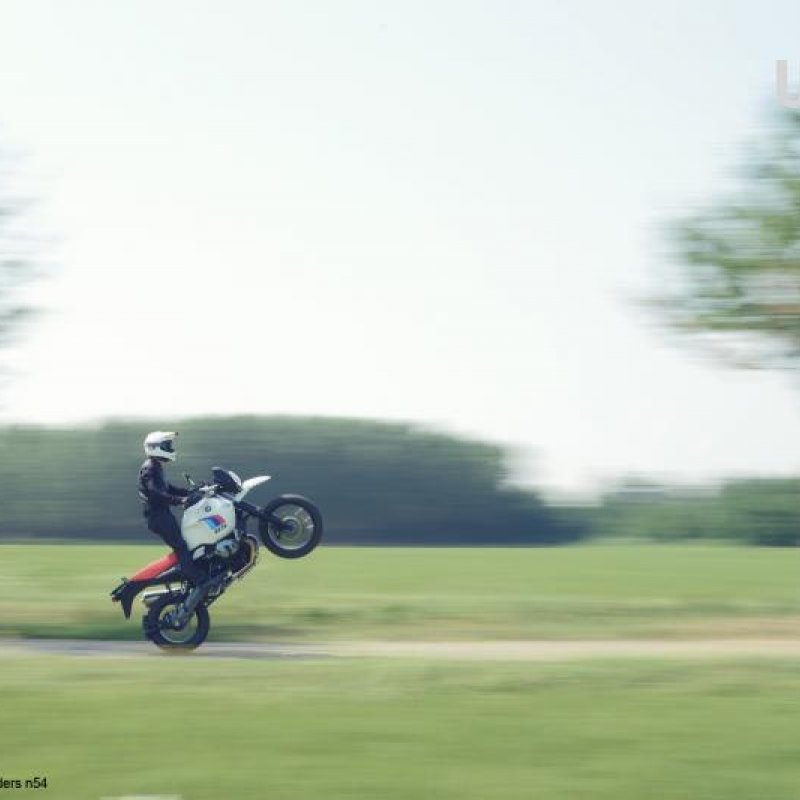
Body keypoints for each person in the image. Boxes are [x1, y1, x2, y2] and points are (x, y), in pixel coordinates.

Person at [138, 431, 205, 585]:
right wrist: (180, 501)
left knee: (186, 543)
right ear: (155, 447)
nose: (170, 449)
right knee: (181, 546)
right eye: (167, 445)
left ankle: (194, 572)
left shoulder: (155, 466)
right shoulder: (150, 468)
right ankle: (196, 578)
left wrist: (191, 492)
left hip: (161, 515)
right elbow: (155, 493)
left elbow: (169, 488)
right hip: (158, 517)